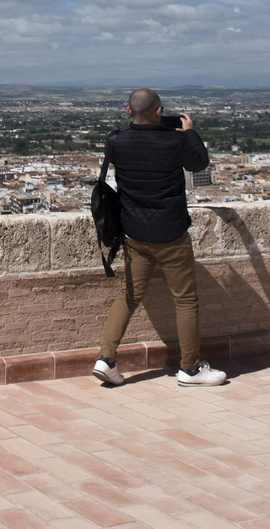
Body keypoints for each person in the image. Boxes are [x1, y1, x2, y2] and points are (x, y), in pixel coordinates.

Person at [91, 88, 228, 388]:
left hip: (135, 234)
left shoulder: (116, 142)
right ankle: (190, 369)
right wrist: (190, 133)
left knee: (129, 296)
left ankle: (106, 358)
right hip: (171, 234)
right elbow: (199, 163)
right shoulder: (175, 142)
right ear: (159, 111)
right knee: (185, 300)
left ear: (128, 111)